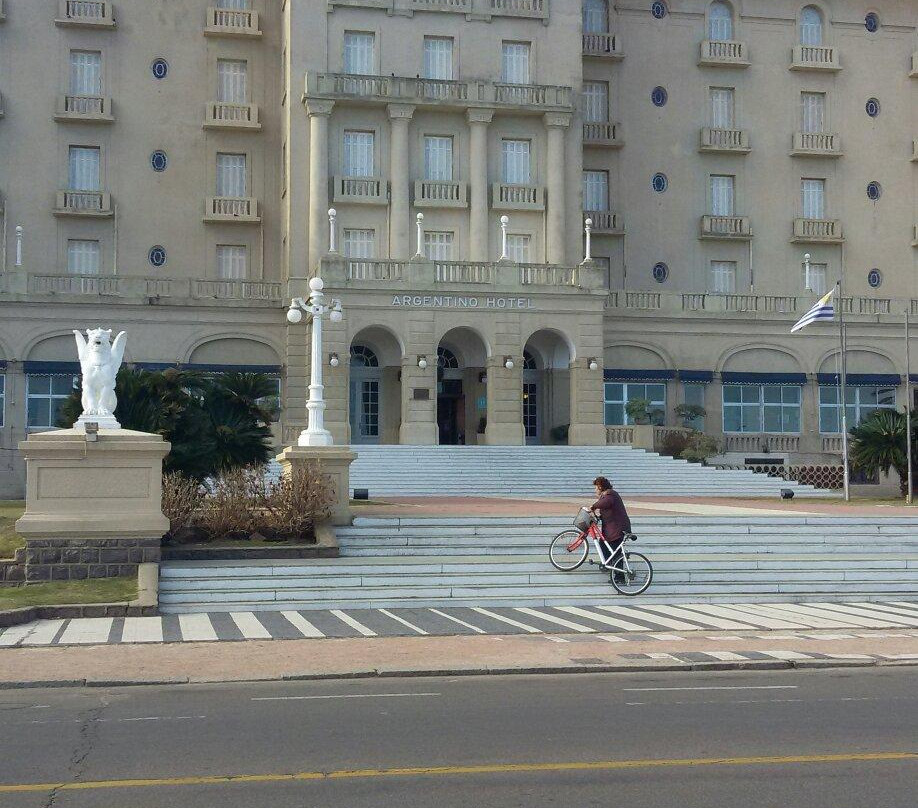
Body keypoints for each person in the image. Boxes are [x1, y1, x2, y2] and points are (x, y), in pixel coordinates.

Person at [590, 476, 633, 581]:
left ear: (600, 487)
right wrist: (599, 517)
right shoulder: (608, 494)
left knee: (616, 552)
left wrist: (593, 506)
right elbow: (609, 511)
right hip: (614, 528)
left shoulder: (609, 494)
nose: (595, 490)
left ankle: (619, 577)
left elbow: (606, 503)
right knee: (603, 544)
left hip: (617, 529)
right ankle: (608, 564)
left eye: (596, 487)